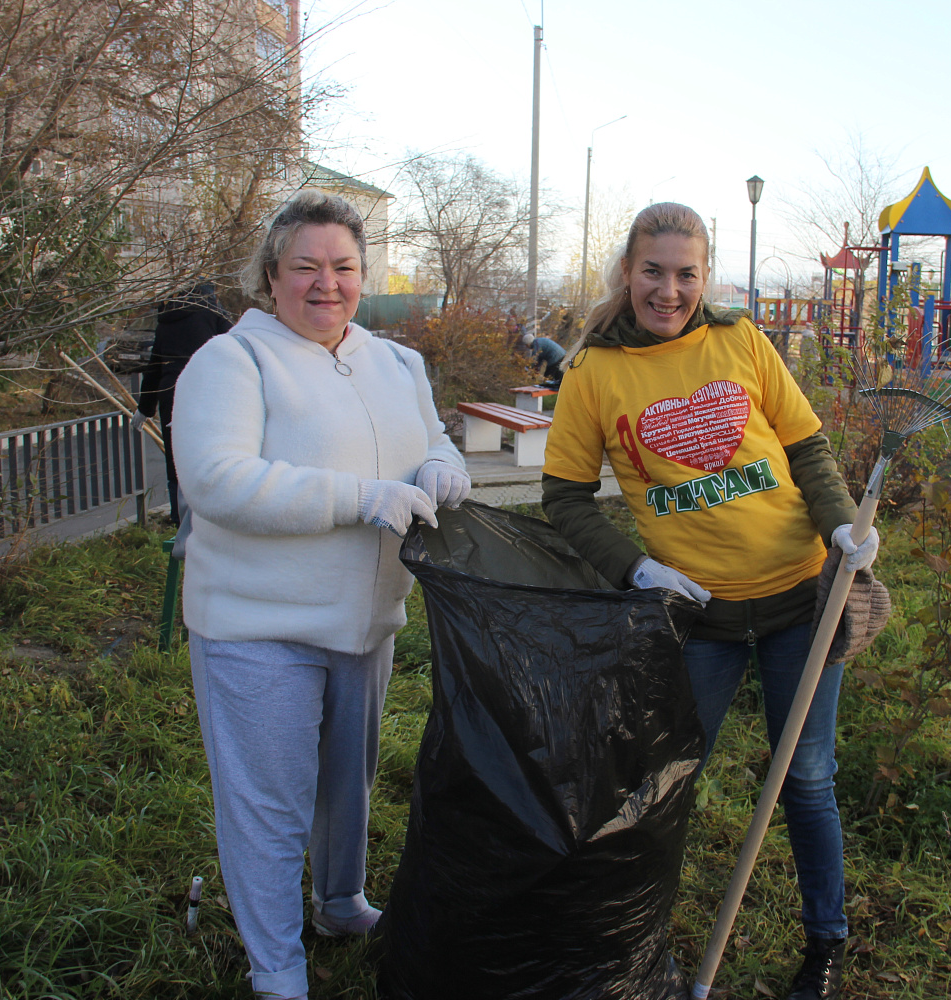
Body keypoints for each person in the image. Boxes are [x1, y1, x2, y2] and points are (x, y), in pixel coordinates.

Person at [540, 202, 878, 1000]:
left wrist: (839, 528)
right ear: (627, 271)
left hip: (801, 599)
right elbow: (565, 495)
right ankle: (633, 944)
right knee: (663, 782)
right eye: (653, 272)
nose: (669, 290)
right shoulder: (595, 373)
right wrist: (634, 570)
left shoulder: (741, 340)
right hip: (700, 618)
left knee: (808, 778)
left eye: (686, 273)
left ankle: (825, 945)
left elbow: (806, 447)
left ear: (706, 276)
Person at [171, 190, 470, 1000]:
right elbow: (216, 479)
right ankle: (277, 968)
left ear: (362, 276)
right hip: (258, 626)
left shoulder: (395, 362)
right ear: (272, 276)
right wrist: (358, 496)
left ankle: (340, 905)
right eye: (305, 266)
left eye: (342, 267)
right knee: (268, 803)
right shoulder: (233, 363)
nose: (325, 283)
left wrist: (444, 466)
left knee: (348, 784)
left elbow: (435, 439)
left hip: (366, 624)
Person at [132, 281, 232, 524]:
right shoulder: (214, 314)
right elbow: (235, 349)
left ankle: (179, 517)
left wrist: (145, 408)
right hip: (207, 390)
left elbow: (153, 367)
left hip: (172, 392)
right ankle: (210, 514)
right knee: (212, 453)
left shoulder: (167, 319)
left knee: (176, 457)